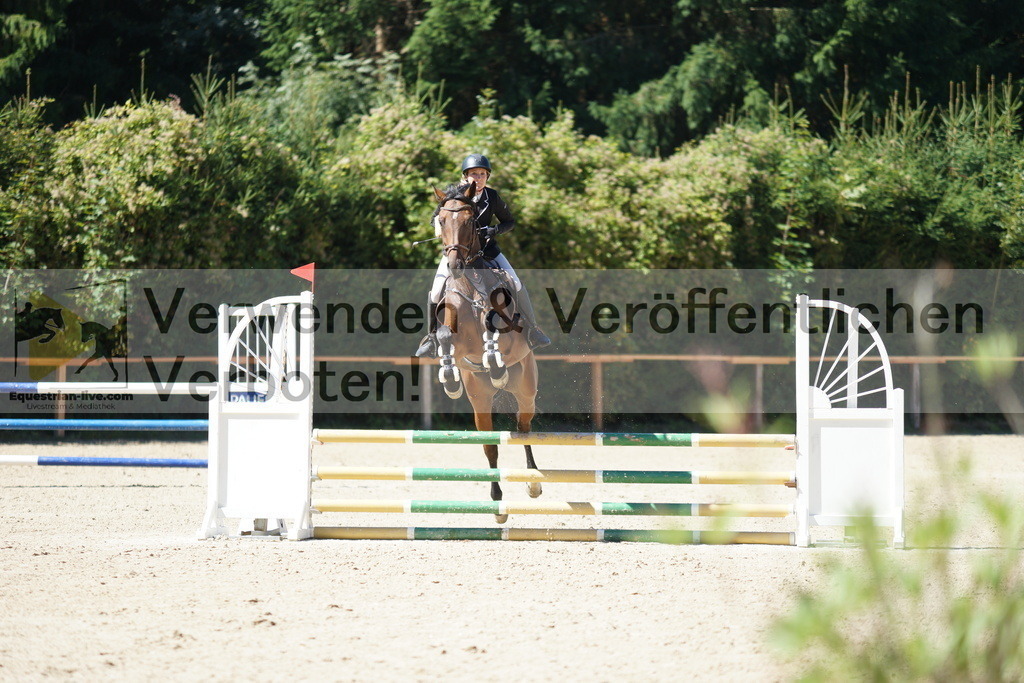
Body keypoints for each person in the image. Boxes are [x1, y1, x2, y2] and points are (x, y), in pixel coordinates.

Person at [415, 153, 551, 357]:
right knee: (435, 292)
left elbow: (509, 222)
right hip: (458, 253)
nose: (478, 178)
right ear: (465, 177)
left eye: (482, 174)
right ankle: (432, 338)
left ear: (487, 177)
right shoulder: (453, 197)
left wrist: (495, 230)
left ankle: (533, 330)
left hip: (488, 252)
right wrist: (441, 229)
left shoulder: (492, 197)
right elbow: (436, 219)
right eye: (473, 174)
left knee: (515, 282)